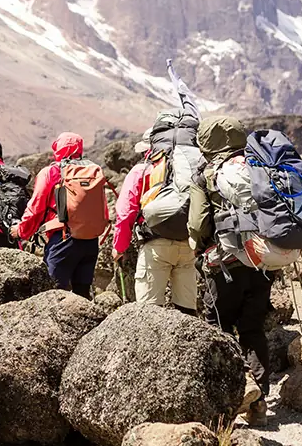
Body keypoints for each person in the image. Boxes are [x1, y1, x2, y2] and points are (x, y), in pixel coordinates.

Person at [188, 116, 272, 427]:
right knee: (252, 328)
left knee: (218, 329)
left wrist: (197, 248)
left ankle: (228, 400)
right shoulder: (260, 166)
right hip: (262, 259)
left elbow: (198, 223)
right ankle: (259, 400)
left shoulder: (207, 174)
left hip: (224, 263)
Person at [112, 127, 198, 315]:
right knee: (187, 311)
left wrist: (119, 247)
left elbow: (126, 212)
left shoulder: (142, 170)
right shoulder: (187, 169)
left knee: (148, 312)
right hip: (188, 244)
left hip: (155, 245)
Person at [12, 133, 105, 299]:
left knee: (53, 296)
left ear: (58, 149)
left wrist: (21, 231)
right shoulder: (93, 172)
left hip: (62, 239)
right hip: (91, 240)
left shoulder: (51, 172)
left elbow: (36, 207)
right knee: (82, 296)